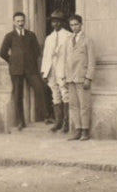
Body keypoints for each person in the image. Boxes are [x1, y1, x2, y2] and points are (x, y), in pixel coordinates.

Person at [0, 11, 51, 130]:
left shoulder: (31, 35)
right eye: (18, 21)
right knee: (18, 95)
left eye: (22, 21)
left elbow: (37, 51)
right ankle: (20, 121)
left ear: (25, 21)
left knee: (40, 88)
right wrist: (12, 61)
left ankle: (46, 116)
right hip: (16, 70)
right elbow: (2, 53)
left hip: (31, 69)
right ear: (14, 22)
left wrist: (30, 60)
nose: (20, 23)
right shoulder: (9, 36)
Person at [62, 13, 96, 141]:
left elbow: (92, 60)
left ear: (81, 25)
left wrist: (89, 77)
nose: (74, 27)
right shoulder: (68, 40)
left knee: (84, 105)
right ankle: (77, 129)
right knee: (73, 105)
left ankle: (85, 130)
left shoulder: (87, 40)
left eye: (76, 24)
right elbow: (66, 60)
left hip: (82, 78)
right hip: (71, 78)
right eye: (71, 25)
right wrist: (65, 77)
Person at [40, 9, 71, 133]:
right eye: (53, 22)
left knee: (65, 94)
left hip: (62, 69)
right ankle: (58, 121)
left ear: (62, 22)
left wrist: (68, 71)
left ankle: (66, 122)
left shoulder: (68, 36)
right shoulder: (49, 38)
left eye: (58, 21)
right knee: (55, 94)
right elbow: (46, 55)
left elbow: (69, 56)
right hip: (51, 69)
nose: (55, 24)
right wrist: (44, 71)